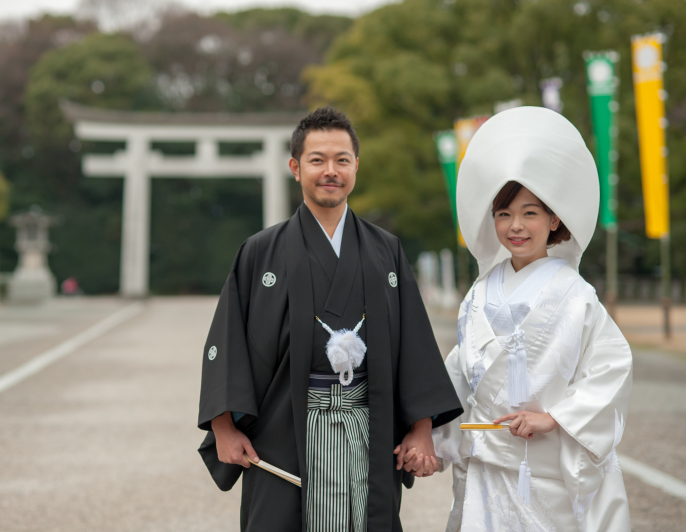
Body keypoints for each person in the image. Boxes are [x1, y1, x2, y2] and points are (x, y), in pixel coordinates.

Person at [198, 106, 463, 531]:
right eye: (317, 160)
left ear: (356, 166)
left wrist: (421, 427)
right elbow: (226, 343)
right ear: (295, 166)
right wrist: (223, 426)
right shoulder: (259, 252)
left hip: (368, 423)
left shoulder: (385, 251)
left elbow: (414, 344)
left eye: (342, 159)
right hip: (284, 430)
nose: (330, 171)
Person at [432, 106, 632, 531]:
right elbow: (460, 373)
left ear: (554, 218)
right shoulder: (479, 294)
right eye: (503, 214)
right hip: (485, 462)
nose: (515, 227)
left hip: (545, 463)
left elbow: (611, 366)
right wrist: (427, 433)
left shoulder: (577, 296)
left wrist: (555, 418)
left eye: (530, 213)